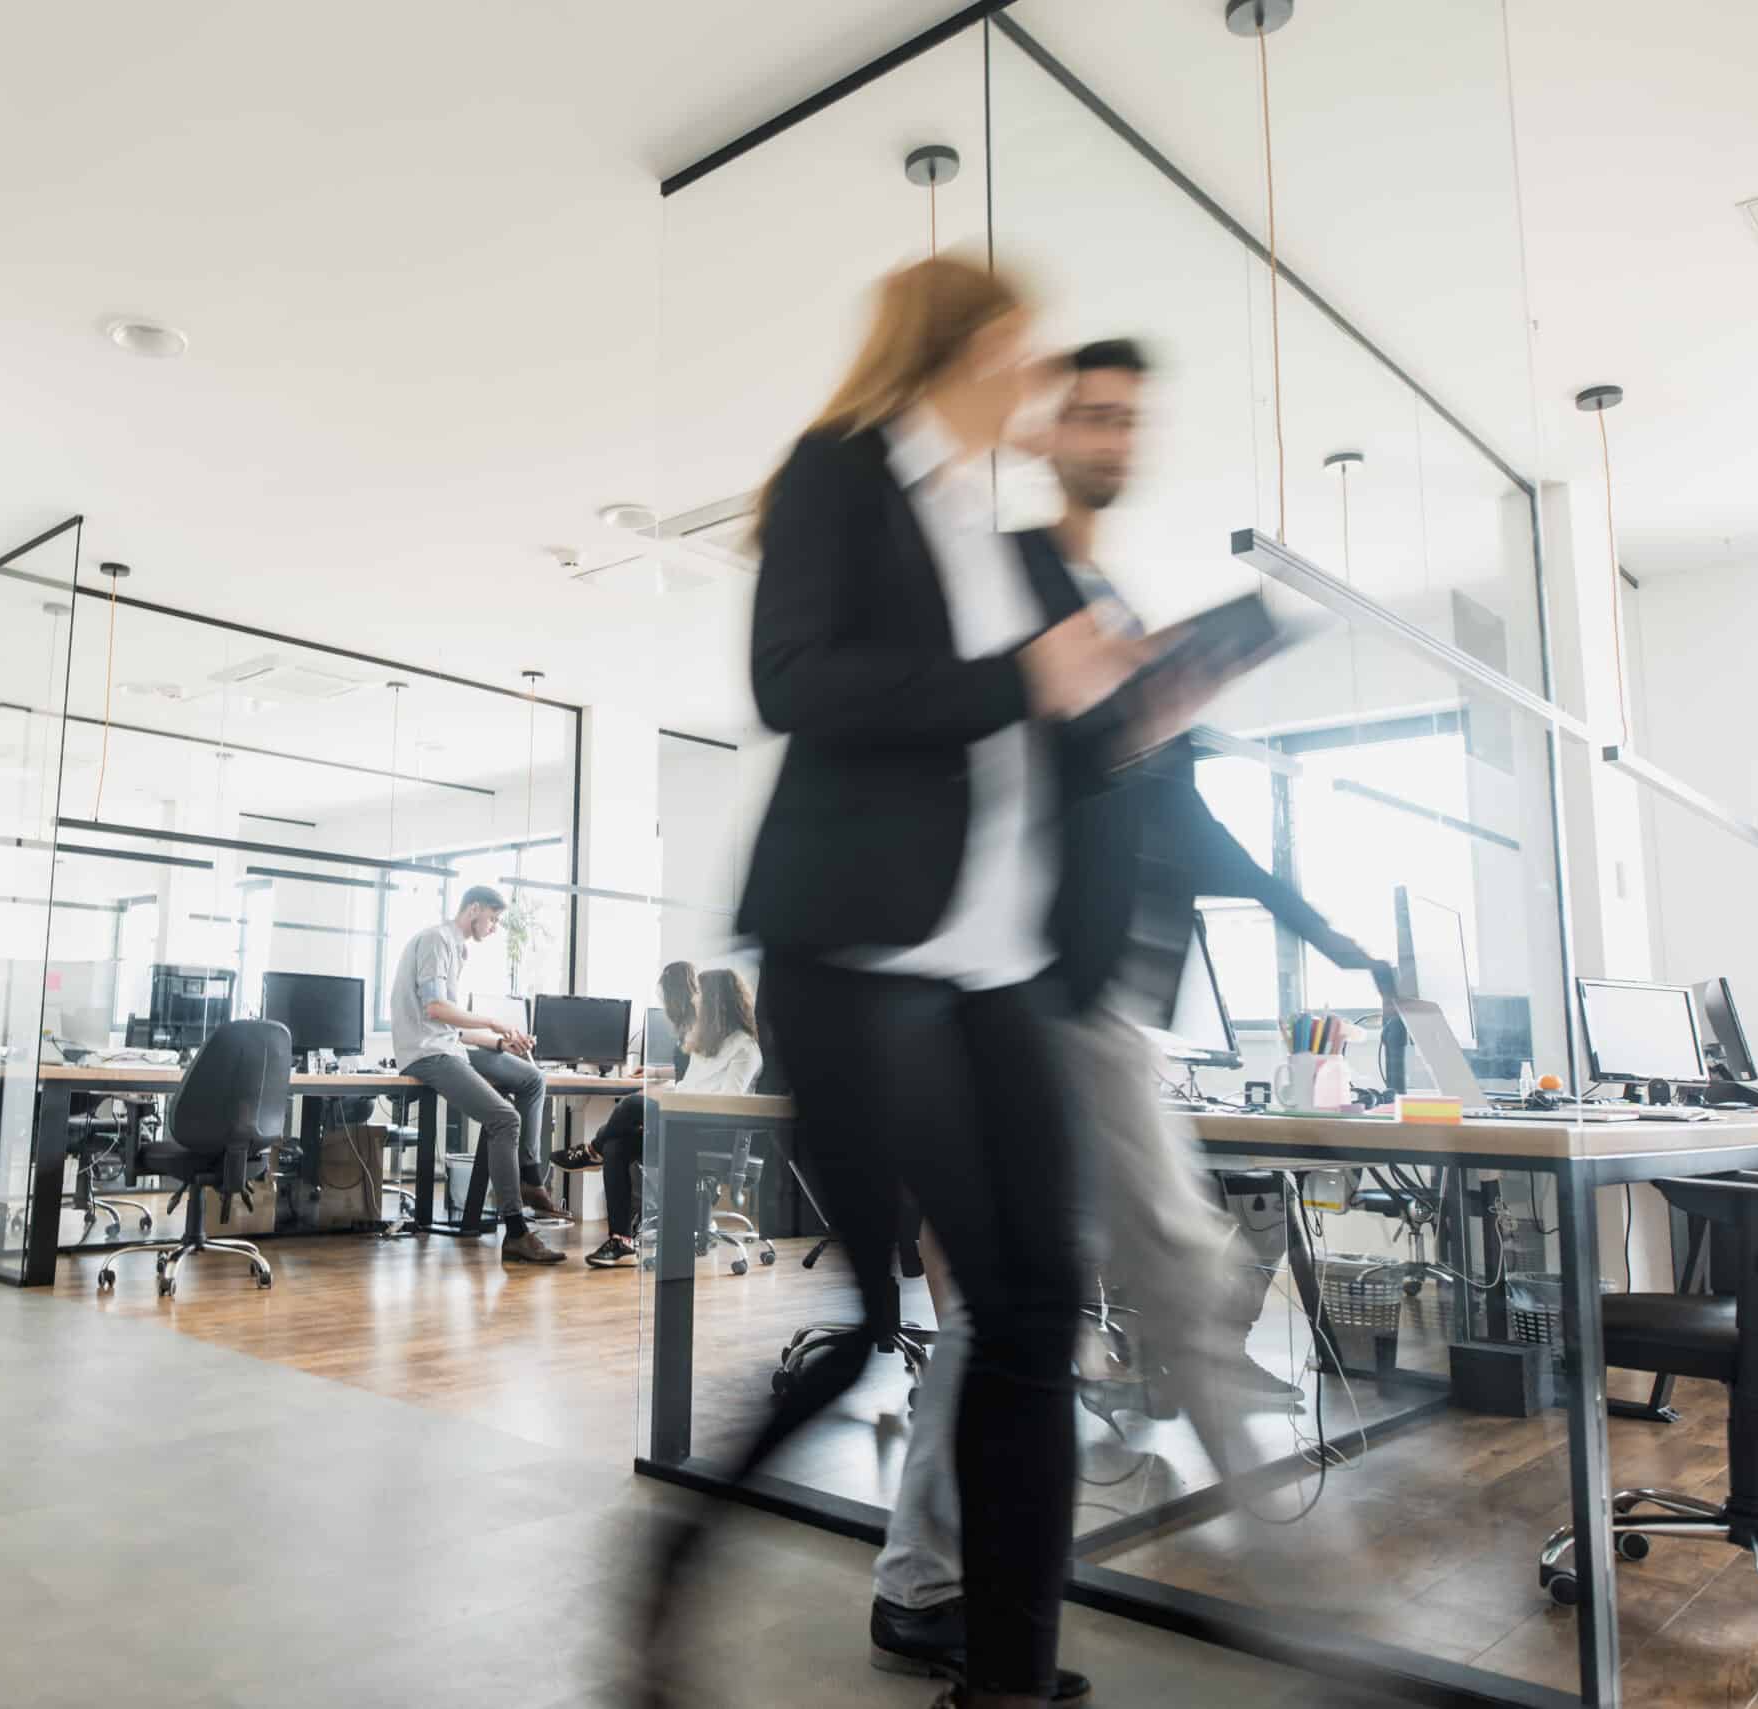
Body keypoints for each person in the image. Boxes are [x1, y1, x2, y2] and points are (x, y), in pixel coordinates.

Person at [635, 254, 1147, 1709]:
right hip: (858, 956)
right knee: (872, 1319)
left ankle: (1007, 1678)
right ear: (964, 346)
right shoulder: (838, 474)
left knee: (1037, 1308)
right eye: (1022, 352)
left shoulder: (985, 528)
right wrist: (1021, 681)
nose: (1037, 384)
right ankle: (675, 1554)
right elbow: (794, 682)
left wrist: (1120, 703)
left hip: (996, 969)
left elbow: (1015, 745)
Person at [866, 338, 1399, 1686]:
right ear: (1049, 432)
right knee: (1171, 1265)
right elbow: (1023, 757)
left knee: (1034, 1299)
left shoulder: (1099, 593)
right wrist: (1155, 682)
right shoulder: (1030, 578)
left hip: (1097, 1000)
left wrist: (1328, 933)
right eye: (1089, 413)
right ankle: (1311, 1600)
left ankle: (924, 1573)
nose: (1111, 433)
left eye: (1127, 417)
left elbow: (1194, 823)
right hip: (1042, 991)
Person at [388, 885, 568, 1264]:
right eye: (494, 918)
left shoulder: (456, 948)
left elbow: (451, 1027)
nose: (495, 926)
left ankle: (530, 1178)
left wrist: (499, 1042)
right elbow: (436, 1010)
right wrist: (493, 1022)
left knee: (532, 1079)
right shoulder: (437, 940)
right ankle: (516, 1231)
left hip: (447, 1045)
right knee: (505, 1118)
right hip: (426, 1054)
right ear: (474, 910)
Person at [570, 965, 757, 1269]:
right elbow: (689, 1086)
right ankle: (622, 1242)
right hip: (682, 1125)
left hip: (708, 1134)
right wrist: (666, 1099)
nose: (696, 1003)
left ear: (720, 1003)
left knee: (632, 1105)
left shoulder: (745, 1048)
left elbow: (727, 1105)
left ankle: (591, 1151)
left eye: (703, 998)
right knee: (617, 1147)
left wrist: (664, 1103)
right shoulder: (707, 1044)